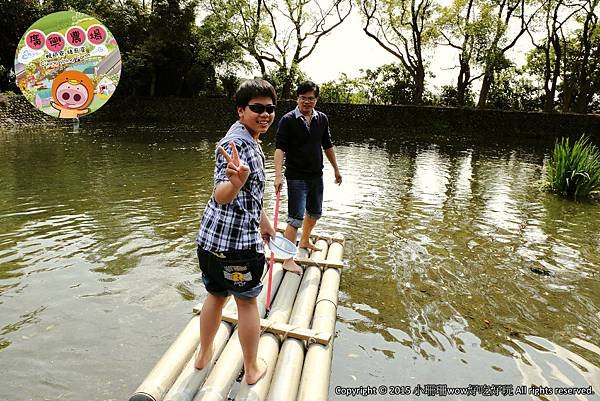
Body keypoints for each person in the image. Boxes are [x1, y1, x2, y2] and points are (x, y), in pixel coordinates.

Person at [195, 79, 277, 385]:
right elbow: (221, 194)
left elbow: (249, 194)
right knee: (245, 303)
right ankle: (252, 368)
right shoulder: (237, 146)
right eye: (257, 108)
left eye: (270, 109)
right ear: (241, 110)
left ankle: (204, 354)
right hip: (238, 248)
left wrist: (263, 220)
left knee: (215, 296)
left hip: (210, 242)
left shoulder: (245, 137)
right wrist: (236, 183)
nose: (265, 114)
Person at [274, 81, 342, 274]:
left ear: (316, 99)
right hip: (296, 177)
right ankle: (287, 259)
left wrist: (336, 169)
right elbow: (280, 149)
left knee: (314, 212)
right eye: (303, 97)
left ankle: (304, 240)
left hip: (316, 175)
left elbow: (327, 145)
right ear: (298, 98)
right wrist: (278, 175)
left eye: (310, 98)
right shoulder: (288, 120)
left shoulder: (322, 119)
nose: (307, 101)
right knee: (295, 218)